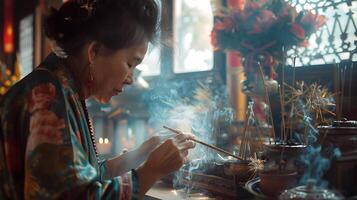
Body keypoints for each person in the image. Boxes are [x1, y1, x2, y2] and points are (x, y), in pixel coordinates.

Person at [0, 0, 196, 199]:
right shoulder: (47, 96)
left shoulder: (63, 87)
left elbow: (88, 175)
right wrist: (151, 170)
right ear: (94, 51)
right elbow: (77, 195)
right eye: (130, 64)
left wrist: (144, 151)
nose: (131, 79)